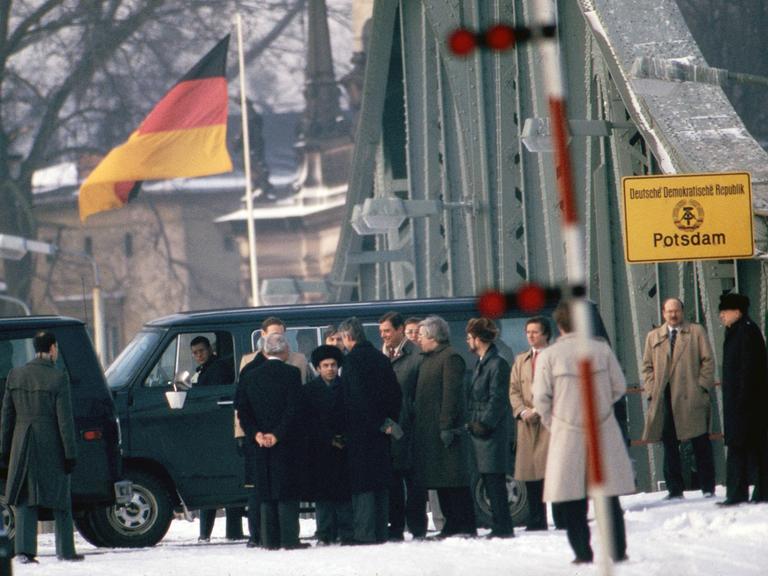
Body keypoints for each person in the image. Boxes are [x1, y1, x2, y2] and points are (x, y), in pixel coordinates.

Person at [533, 301, 634, 564]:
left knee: (572, 496)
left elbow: (541, 399)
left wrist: (554, 424)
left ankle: (582, 553)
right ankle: (618, 550)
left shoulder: (549, 356)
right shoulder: (601, 349)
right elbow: (618, 387)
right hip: (602, 429)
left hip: (566, 432)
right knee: (608, 495)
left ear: (559, 325)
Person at [0, 331, 84, 563]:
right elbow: (64, 421)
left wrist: (4, 450)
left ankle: (24, 552)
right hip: (51, 442)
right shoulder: (58, 378)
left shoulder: (15, 375)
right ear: (53, 348)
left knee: (25, 499)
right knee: (61, 498)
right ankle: (65, 550)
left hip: (21, 442)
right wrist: (70, 454)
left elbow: (6, 418)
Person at [235, 316, 308, 546]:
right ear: (284, 350)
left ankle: (268, 540)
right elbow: (294, 410)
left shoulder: (249, 375)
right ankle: (289, 539)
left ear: (264, 352)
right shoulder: (292, 374)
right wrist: (276, 435)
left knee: (264, 491)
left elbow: (242, 410)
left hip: (258, 443)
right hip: (285, 443)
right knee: (286, 491)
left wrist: (256, 434)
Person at [335, 317, 402, 544]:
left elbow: (354, 399)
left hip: (360, 432)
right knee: (381, 481)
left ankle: (365, 533)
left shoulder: (351, 362)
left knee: (362, 483)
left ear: (348, 336)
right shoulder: (382, 359)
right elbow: (395, 394)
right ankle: (381, 531)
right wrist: (387, 422)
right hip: (383, 431)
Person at [641, 297, 716, 500]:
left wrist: (701, 387)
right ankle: (675, 490)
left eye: (676, 311)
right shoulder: (654, 336)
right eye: (669, 311)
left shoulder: (696, 331)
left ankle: (708, 488)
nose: (673, 315)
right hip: (665, 398)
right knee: (670, 444)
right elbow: (647, 366)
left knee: (700, 442)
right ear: (663, 313)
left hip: (691, 397)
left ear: (682, 312)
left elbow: (708, 361)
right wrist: (651, 389)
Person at [413, 315, 476, 538]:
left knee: (454, 479)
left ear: (433, 336)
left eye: (420, 335)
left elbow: (451, 395)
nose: (417, 339)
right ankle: (451, 523)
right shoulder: (428, 358)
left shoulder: (451, 358)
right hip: (430, 431)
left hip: (445, 431)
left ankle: (465, 524)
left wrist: (446, 425)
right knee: (441, 480)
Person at [189, 336, 244, 542]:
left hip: (217, 431)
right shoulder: (206, 370)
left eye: (201, 351)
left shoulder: (217, 369)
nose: (199, 356)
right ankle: (231, 530)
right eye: (195, 353)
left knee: (213, 480)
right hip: (217, 431)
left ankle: (208, 532)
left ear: (210, 349)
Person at [378, 311, 427, 541]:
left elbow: (420, 394)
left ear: (400, 329)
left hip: (411, 428)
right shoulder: (383, 354)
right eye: (381, 332)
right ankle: (395, 527)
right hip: (389, 429)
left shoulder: (416, 355)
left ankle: (417, 528)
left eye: (387, 331)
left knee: (415, 481)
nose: (384, 335)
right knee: (393, 481)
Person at [717, 292, 768, 505]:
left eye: (724, 311)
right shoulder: (740, 330)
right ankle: (751, 492)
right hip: (744, 403)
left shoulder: (745, 332)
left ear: (736, 311)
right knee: (750, 447)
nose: (721, 316)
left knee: (744, 447)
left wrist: (741, 401)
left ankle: (739, 493)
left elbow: (748, 370)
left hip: (746, 404)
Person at [465, 317, 513, 538]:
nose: (467, 341)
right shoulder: (483, 362)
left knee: (494, 480)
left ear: (478, 338)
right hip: (480, 431)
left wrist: (484, 423)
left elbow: (498, 399)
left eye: (469, 337)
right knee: (488, 478)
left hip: (490, 433)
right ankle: (499, 524)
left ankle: (503, 526)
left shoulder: (497, 364)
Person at [509, 316, 559, 531]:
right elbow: (513, 390)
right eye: (528, 332)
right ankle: (536, 519)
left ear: (546, 334)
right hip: (526, 424)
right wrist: (521, 411)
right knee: (530, 473)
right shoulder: (521, 360)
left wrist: (539, 410)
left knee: (553, 472)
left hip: (549, 422)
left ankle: (561, 517)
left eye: (535, 332)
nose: (530, 335)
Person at [304, 345, 353, 544]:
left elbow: (352, 415)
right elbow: (308, 420)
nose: (330, 369)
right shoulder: (309, 391)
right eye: (325, 365)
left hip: (344, 446)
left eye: (333, 365)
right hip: (320, 448)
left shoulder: (347, 388)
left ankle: (346, 532)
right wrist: (328, 438)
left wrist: (344, 437)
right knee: (323, 494)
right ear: (318, 368)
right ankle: (324, 533)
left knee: (343, 492)